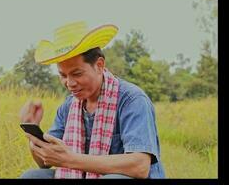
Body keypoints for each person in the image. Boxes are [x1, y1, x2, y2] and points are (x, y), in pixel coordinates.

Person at [18, 21, 165, 179]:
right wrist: (33, 135)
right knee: (33, 175)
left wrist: (71, 160)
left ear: (99, 65)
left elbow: (140, 166)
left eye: (77, 74)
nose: (69, 83)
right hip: (81, 175)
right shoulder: (68, 107)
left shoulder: (132, 100)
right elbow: (44, 162)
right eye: (63, 75)